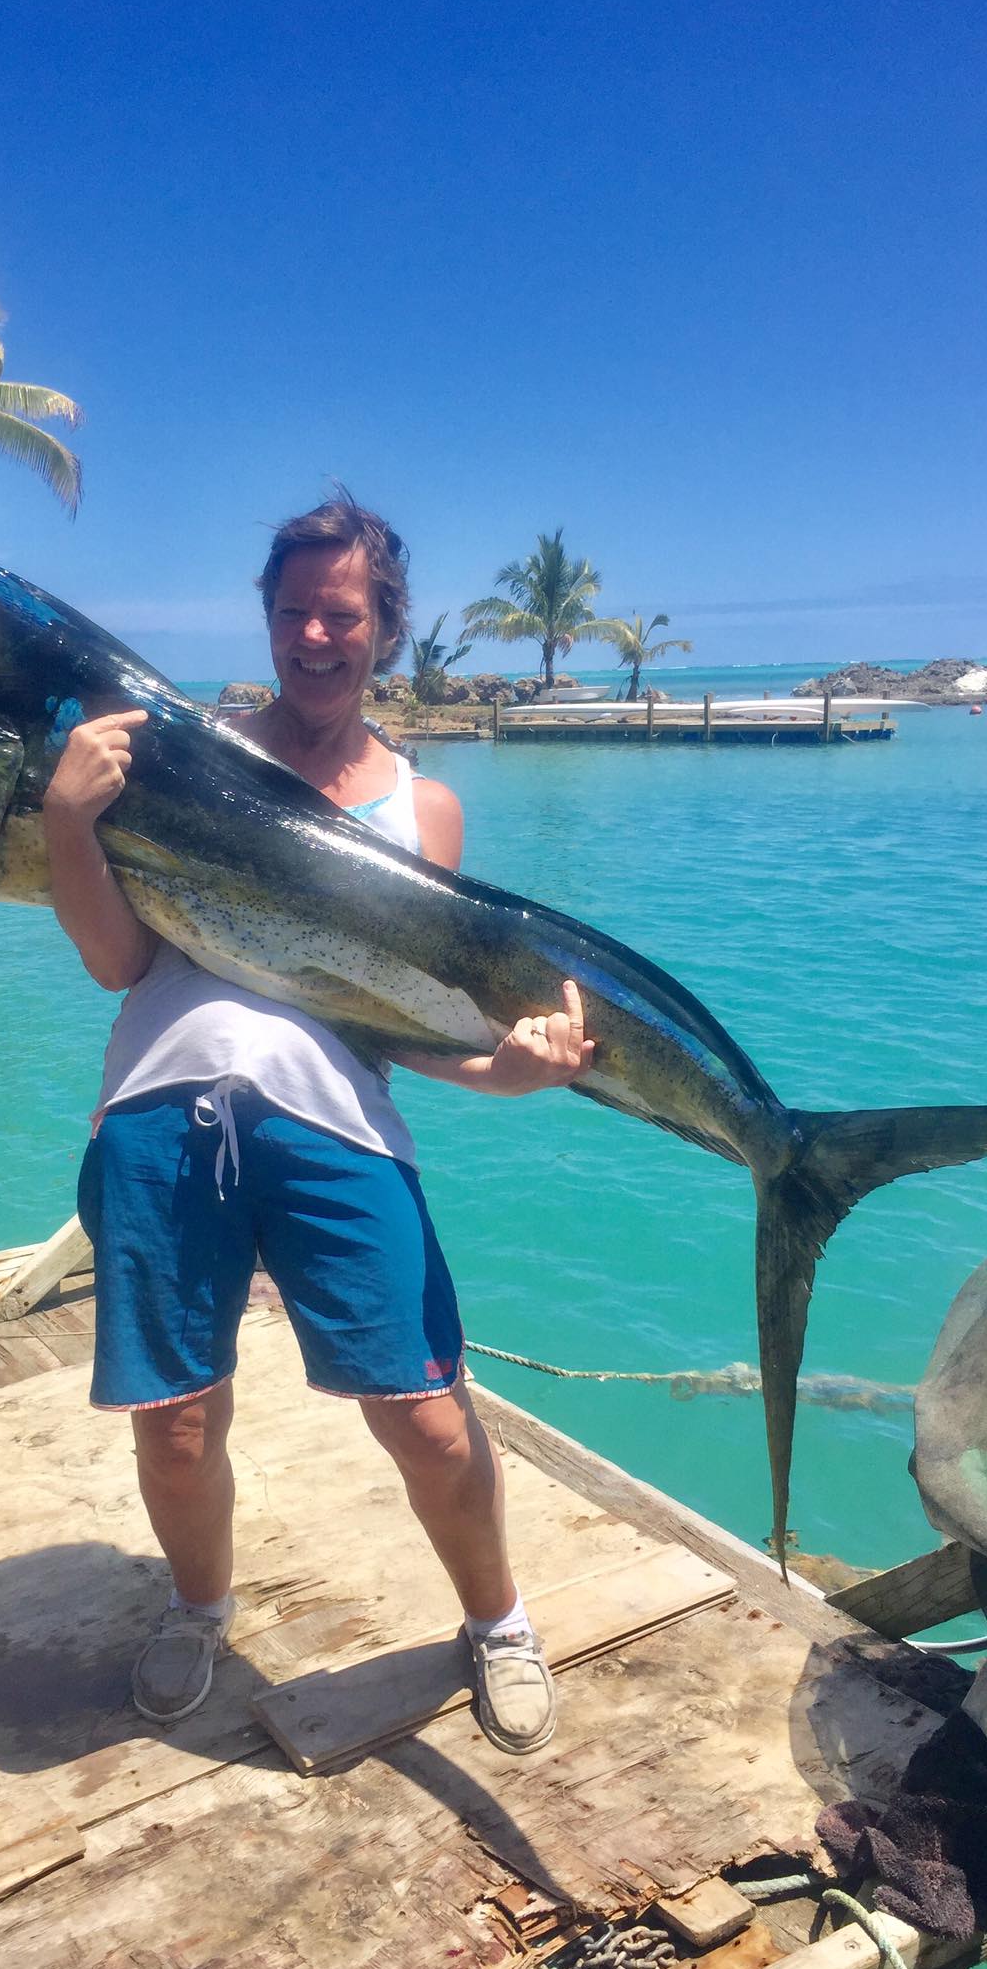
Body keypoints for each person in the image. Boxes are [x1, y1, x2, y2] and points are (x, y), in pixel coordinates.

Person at [43, 494, 594, 1754]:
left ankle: (497, 1617)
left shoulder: (425, 809)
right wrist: (69, 819)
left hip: (341, 1123)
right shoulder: (182, 757)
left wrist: (509, 1072)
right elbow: (123, 959)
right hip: (160, 1106)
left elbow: (405, 1017)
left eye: (340, 612)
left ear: (385, 628)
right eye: (292, 609)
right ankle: (199, 1604)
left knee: (428, 1412)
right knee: (175, 1422)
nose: (312, 634)